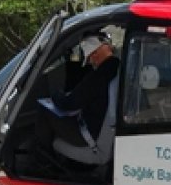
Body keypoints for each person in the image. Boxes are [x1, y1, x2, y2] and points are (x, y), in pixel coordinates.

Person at [35, 31, 120, 161]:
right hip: (100, 130)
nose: (91, 62)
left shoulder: (99, 75)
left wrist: (55, 94)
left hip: (86, 135)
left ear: (96, 53)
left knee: (44, 110)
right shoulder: (117, 68)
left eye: (90, 57)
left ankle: (42, 158)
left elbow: (69, 104)